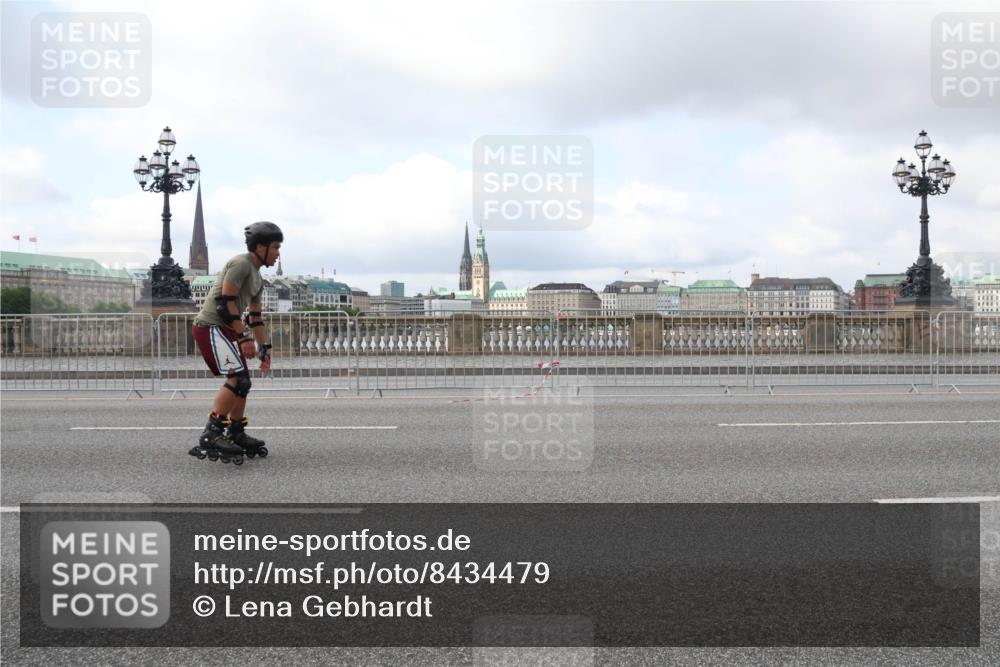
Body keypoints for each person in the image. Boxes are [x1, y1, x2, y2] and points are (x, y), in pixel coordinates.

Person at [189, 221, 282, 464]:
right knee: (238, 379)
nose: (278, 253)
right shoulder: (241, 264)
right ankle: (212, 433)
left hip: (226, 329)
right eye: (274, 247)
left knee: (243, 382)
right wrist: (244, 337)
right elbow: (225, 302)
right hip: (210, 326)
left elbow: (255, 317)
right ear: (260, 247)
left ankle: (236, 431)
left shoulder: (258, 278)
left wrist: (265, 349)